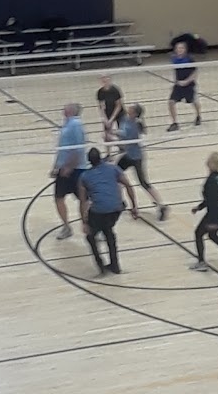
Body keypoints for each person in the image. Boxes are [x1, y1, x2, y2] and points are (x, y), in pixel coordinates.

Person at [78, 147, 139, 276]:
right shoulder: (113, 168)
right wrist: (134, 206)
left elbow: (83, 201)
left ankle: (101, 266)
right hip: (116, 209)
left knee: (91, 236)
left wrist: (84, 222)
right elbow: (128, 185)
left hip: (99, 210)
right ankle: (115, 265)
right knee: (108, 230)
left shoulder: (85, 176)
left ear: (89, 161)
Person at [116, 104, 168, 220]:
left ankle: (161, 206)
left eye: (132, 108)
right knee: (116, 175)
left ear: (134, 113)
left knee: (143, 183)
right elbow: (121, 134)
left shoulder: (134, 126)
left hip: (136, 157)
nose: (129, 108)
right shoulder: (125, 119)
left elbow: (124, 143)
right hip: (128, 155)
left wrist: (111, 137)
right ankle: (120, 202)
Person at [49, 103, 90, 240]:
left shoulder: (76, 124)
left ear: (71, 111)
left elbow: (78, 148)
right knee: (58, 197)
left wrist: (69, 167)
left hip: (76, 169)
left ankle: (88, 226)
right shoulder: (67, 124)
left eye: (66, 107)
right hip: (64, 168)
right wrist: (56, 167)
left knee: (83, 199)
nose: (63, 109)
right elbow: (62, 148)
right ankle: (67, 227)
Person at [166, 40, 202, 132]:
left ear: (185, 49)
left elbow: (195, 72)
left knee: (194, 101)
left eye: (181, 48)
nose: (179, 50)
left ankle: (198, 116)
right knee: (171, 102)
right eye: (178, 48)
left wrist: (187, 81)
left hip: (189, 85)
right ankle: (174, 123)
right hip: (178, 85)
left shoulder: (190, 59)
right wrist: (176, 82)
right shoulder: (174, 59)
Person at [96, 74, 124, 153]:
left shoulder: (115, 90)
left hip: (119, 113)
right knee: (106, 133)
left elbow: (118, 106)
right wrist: (105, 119)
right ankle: (108, 153)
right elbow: (101, 107)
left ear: (110, 80)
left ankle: (122, 148)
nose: (104, 81)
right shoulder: (100, 92)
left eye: (106, 79)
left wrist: (111, 119)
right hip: (107, 113)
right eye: (103, 79)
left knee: (121, 132)